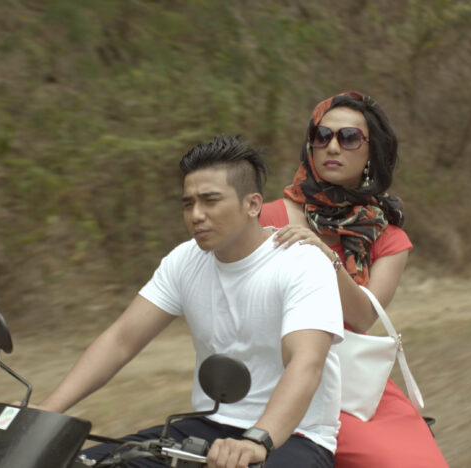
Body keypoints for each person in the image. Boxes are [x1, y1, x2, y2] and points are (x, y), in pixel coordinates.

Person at [37, 134, 344, 468]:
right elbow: (121, 340)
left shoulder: (301, 262)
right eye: (188, 204)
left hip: (294, 437)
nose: (196, 215)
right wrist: (45, 414)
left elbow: (306, 363)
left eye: (210, 201)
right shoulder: (184, 261)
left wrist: (258, 440)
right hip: (208, 426)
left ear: (253, 205)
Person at [259, 92, 449, 467]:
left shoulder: (389, 237)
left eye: (348, 138)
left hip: (346, 382)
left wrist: (325, 256)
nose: (332, 147)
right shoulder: (266, 217)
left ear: (370, 153)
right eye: (321, 136)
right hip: (272, 373)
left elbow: (362, 317)